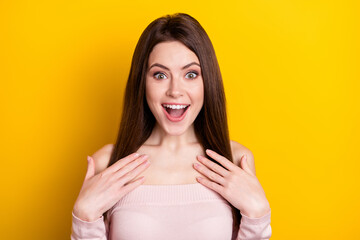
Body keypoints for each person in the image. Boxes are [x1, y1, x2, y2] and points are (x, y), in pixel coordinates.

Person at [71, 13, 272, 240]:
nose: (175, 90)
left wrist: (258, 216)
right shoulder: (109, 162)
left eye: (190, 74)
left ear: (208, 81)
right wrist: (84, 218)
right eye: (160, 75)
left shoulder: (234, 160)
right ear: (142, 83)